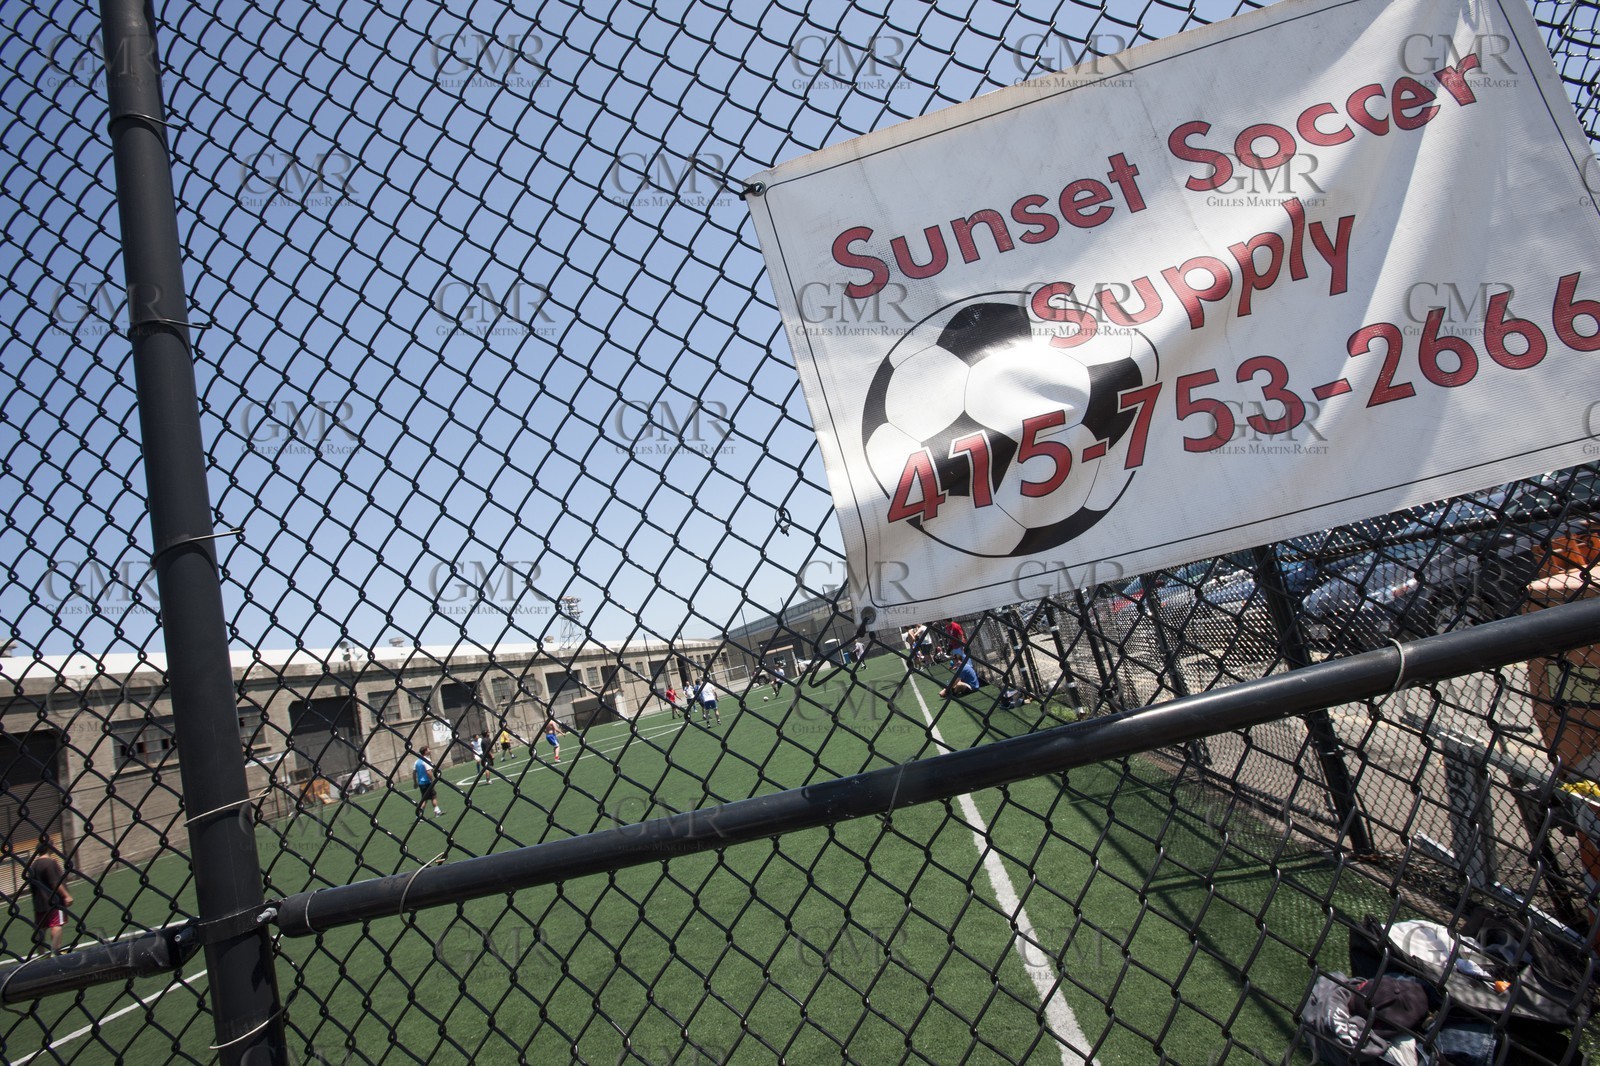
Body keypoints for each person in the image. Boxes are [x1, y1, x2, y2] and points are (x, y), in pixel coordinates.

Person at [27, 837, 71, 956]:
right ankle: (55, 951)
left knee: (41, 928)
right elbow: (55, 882)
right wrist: (66, 896)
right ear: (49, 848)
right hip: (54, 901)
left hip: (39, 903)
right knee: (56, 925)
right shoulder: (50, 862)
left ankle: (40, 953)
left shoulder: (34, 865)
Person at [414, 747, 444, 817]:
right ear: (425, 752)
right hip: (427, 783)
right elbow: (428, 771)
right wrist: (432, 781)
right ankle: (420, 815)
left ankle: (436, 811)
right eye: (428, 749)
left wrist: (415, 782)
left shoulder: (417, 761)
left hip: (421, 783)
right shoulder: (426, 760)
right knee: (432, 797)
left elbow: (414, 772)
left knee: (425, 799)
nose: (430, 750)